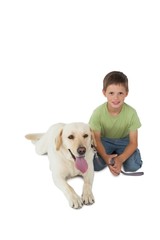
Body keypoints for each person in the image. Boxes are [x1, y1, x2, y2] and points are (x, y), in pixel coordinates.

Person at [89, 71, 143, 176]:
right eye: (111, 93)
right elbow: (96, 140)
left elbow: (133, 142)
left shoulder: (131, 113)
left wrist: (120, 159)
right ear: (104, 93)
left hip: (124, 141)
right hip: (104, 141)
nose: (116, 98)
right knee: (95, 166)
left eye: (120, 93)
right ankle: (110, 156)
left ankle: (127, 155)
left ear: (126, 93)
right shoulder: (98, 113)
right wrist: (106, 158)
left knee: (133, 166)